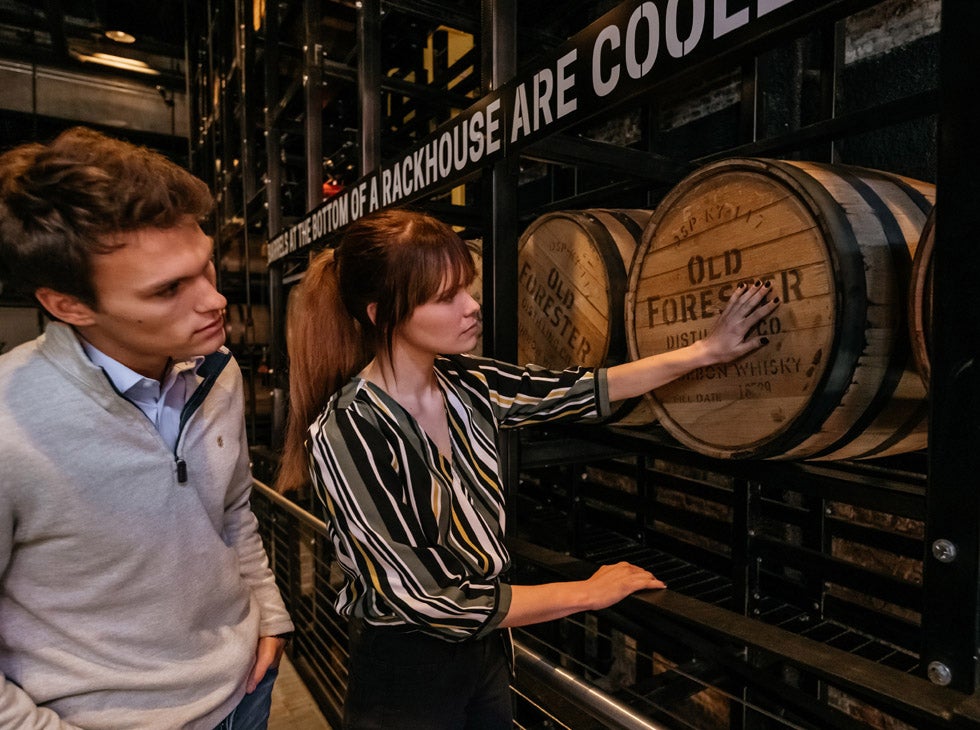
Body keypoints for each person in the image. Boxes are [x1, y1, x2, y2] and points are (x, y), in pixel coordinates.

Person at [276, 208, 779, 729]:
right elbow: (426, 598)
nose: (472, 307)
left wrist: (705, 351)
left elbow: (584, 391)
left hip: (487, 652)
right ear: (382, 315)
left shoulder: (467, 383)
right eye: (446, 297)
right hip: (408, 673)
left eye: (466, 289)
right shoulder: (349, 430)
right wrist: (586, 592)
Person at [0, 127, 294, 730]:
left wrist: (268, 610)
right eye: (169, 290)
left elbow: (234, 509)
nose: (214, 301)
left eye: (205, 265)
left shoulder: (218, 372)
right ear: (68, 305)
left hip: (245, 693)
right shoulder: (7, 422)